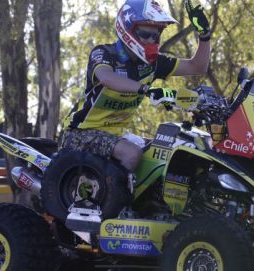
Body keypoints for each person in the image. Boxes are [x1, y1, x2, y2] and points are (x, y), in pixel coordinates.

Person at [62, 0, 211, 217]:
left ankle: (154, 209)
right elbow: (107, 78)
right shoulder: (104, 53)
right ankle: (116, 213)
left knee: (165, 152)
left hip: (117, 135)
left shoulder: (153, 63)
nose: (152, 40)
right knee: (131, 154)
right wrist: (145, 89)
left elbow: (197, 67)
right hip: (80, 133)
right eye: (146, 34)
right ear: (128, 29)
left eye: (156, 35)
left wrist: (204, 35)